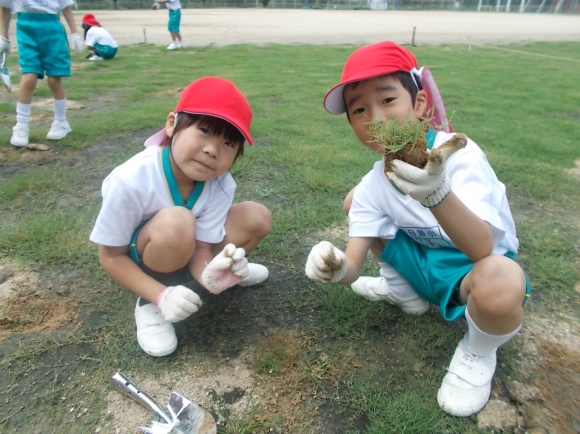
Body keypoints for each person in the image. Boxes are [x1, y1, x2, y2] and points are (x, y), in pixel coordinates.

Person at [304, 41, 530, 417]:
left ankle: (478, 350)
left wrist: (437, 194)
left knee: (503, 280)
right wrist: (337, 268)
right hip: (420, 266)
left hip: (471, 271)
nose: (376, 117)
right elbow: (356, 259)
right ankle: (403, 292)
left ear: (420, 104)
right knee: (354, 202)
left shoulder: (460, 154)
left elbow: (481, 248)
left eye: (388, 100)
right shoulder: (375, 182)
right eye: (359, 109)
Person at [90, 77, 272, 358]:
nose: (213, 149)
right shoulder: (130, 179)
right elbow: (111, 256)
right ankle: (150, 301)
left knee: (256, 216)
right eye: (205, 131)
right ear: (172, 124)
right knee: (179, 220)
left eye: (228, 143)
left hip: (187, 247)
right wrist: (163, 296)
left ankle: (218, 277)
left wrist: (211, 275)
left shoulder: (222, 183)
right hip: (143, 256)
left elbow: (200, 246)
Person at [0, 0, 84, 147]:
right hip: (26, 28)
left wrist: (75, 33)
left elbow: (66, 8)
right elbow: (5, 8)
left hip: (52, 29)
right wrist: (3, 37)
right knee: (29, 77)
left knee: (54, 79)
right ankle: (21, 126)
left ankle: (61, 122)